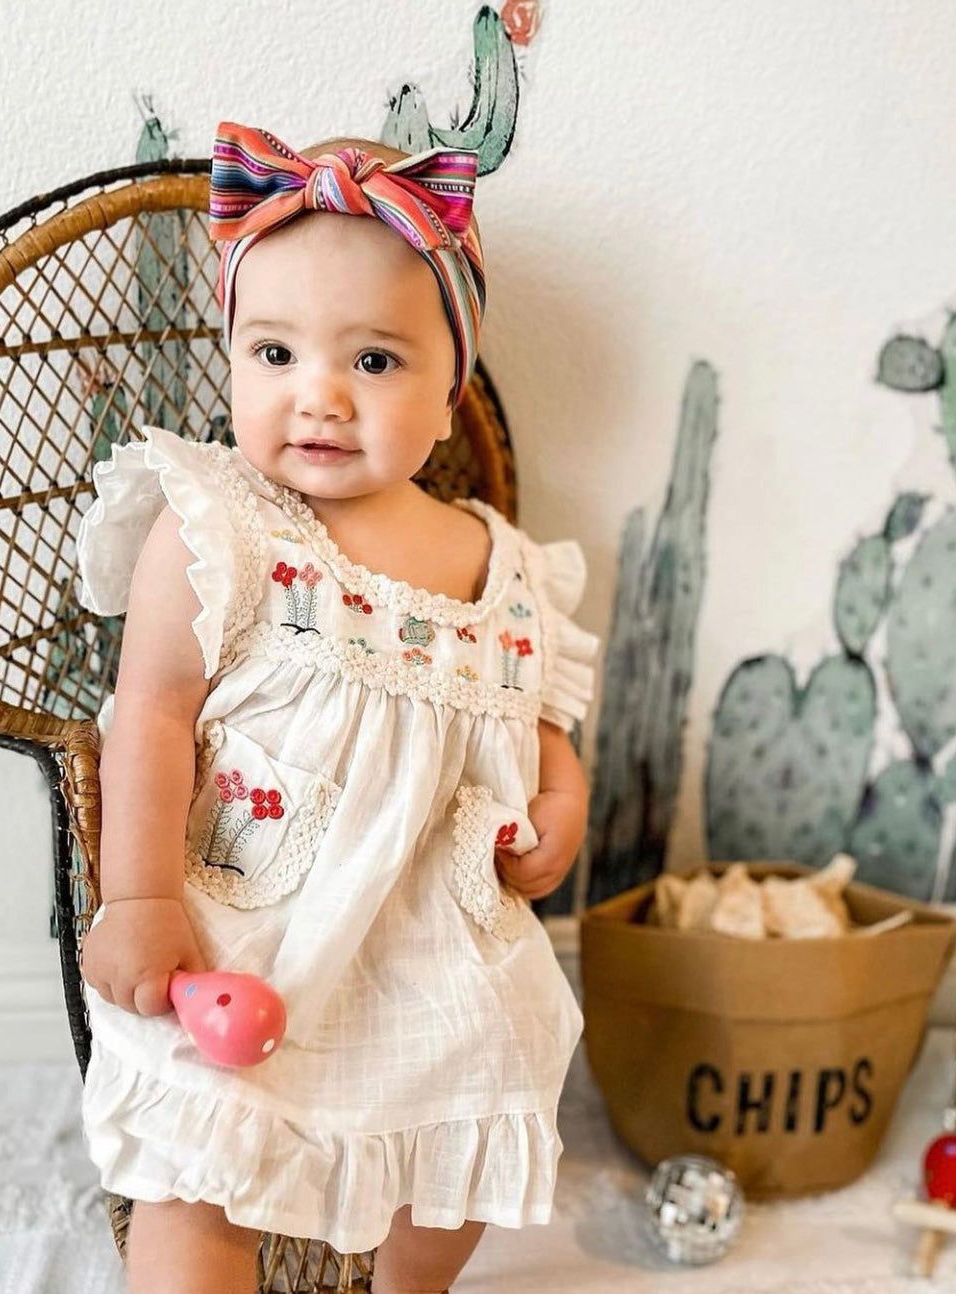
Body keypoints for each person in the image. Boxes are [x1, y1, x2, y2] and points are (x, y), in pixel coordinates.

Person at [76, 121, 599, 1294]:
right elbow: (150, 713)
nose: (316, 396)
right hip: (258, 920)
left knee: (487, 1075)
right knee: (201, 1161)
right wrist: (138, 895)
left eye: (371, 361)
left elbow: (537, 721)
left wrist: (559, 805)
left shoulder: (502, 565)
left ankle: (408, 1283)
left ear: (449, 391)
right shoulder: (219, 525)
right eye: (273, 352)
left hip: (434, 941)